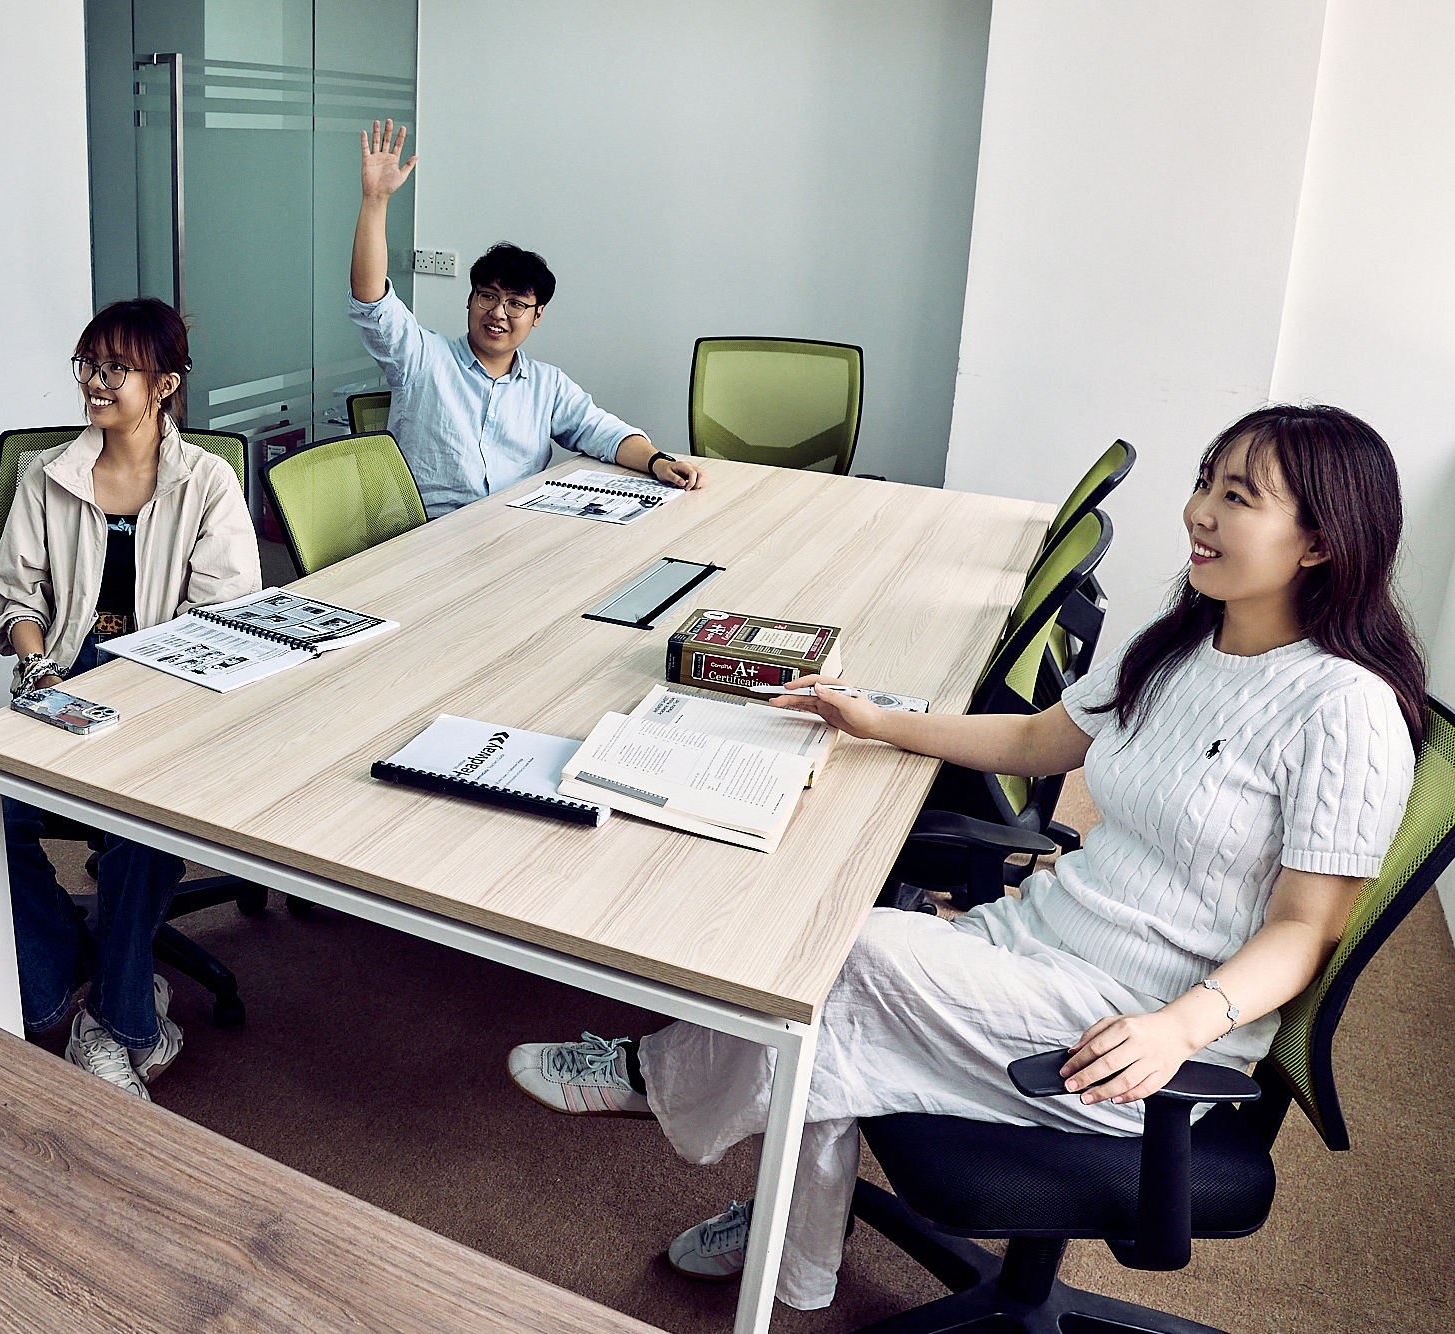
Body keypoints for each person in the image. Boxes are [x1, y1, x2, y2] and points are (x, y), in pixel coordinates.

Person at [506, 404, 1424, 1310]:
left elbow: (1309, 929)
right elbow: (1038, 740)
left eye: (1237, 496)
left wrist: (1184, 1026)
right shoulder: (1184, 642)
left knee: (848, 961)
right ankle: (788, 1249)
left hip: (1137, 1029)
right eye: (1202, 483)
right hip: (1033, 945)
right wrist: (874, 718)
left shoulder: (1343, 708)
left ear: (1318, 543)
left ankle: (645, 1077)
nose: (1199, 512)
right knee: (847, 1009)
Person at [0, 297, 261, 1100]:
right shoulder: (48, 477)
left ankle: (117, 1020)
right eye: (88, 366)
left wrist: (149, 687)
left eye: (116, 369)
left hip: (169, 681)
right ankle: (85, 968)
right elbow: (12, 596)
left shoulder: (208, 483)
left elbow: (228, 615)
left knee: (145, 825)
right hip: (63, 673)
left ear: (164, 384)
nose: (96, 384)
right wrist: (38, 673)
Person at [348, 120, 704, 518]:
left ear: (537, 316)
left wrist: (658, 462)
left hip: (515, 532)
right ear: (469, 301)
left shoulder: (546, 386)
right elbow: (371, 300)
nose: (498, 312)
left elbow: (606, 433)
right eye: (488, 297)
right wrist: (375, 201)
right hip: (430, 534)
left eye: (516, 303)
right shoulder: (422, 358)